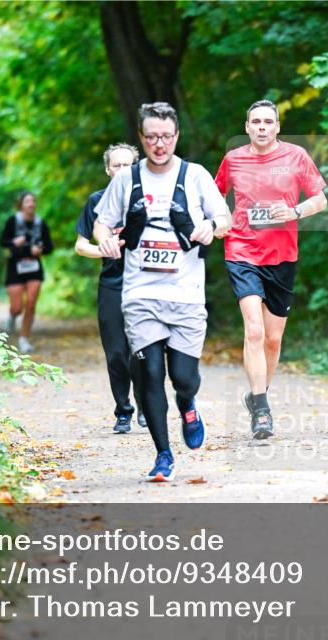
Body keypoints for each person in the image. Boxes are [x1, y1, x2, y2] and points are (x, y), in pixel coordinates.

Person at [94, 102, 231, 481]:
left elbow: (225, 219)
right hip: (141, 295)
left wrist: (210, 227)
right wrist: (105, 242)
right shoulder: (126, 180)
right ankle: (163, 455)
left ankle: (187, 403)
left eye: (166, 136)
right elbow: (102, 225)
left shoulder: (195, 176)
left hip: (186, 295)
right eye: (152, 136)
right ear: (142, 137)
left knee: (183, 378)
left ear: (176, 137)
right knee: (149, 372)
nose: (159, 144)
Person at [214, 100, 327, 439]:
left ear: (277, 127)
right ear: (247, 127)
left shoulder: (296, 156)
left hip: (282, 257)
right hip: (242, 251)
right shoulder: (233, 159)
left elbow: (320, 200)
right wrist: (221, 220)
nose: (261, 127)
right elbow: (215, 195)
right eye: (255, 122)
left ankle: (257, 393)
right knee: (254, 330)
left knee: (274, 340)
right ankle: (262, 409)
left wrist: (293, 213)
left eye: (268, 122)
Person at [74, 143, 148, 433]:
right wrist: (104, 249)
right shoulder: (96, 201)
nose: (121, 171)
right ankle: (123, 411)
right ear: (107, 170)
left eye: (127, 165)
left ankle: (145, 404)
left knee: (141, 349)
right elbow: (81, 246)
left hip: (145, 282)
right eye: (115, 166)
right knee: (116, 352)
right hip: (112, 283)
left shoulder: (147, 199)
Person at [0, 191, 53, 353]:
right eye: (27, 201)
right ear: (21, 204)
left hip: (34, 268)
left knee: (30, 304)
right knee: (17, 307)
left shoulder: (40, 223)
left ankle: (24, 339)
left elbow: (50, 246)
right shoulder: (13, 221)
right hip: (15, 267)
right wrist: (13, 242)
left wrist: (40, 250)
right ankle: (12, 315)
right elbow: (2, 241)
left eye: (33, 201)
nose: (31, 204)